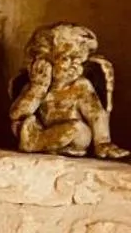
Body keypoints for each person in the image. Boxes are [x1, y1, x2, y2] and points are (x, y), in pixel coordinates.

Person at [11, 22, 126, 159]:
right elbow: (17, 115)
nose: (74, 65)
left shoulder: (80, 86)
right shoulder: (36, 87)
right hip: (44, 131)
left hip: (73, 136)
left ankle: (35, 143)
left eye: (79, 61)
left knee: (79, 130)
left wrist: (102, 142)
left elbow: (96, 115)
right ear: (43, 62)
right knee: (21, 125)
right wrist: (38, 88)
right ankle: (40, 141)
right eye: (66, 58)